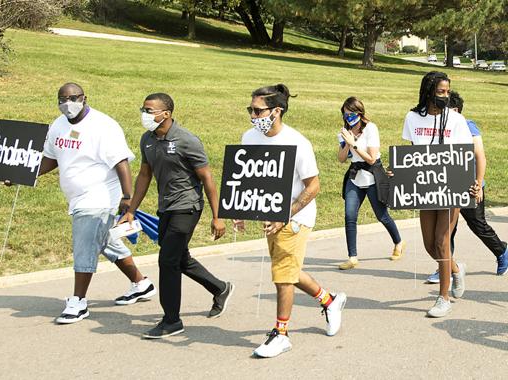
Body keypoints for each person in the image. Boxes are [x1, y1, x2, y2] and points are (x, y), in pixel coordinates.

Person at [240, 84, 346, 358]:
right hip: (268, 215)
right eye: (250, 109)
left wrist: (287, 213)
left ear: (277, 111)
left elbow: (314, 186)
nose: (253, 115)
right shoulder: (249, 138)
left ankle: (281, 333)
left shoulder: (298, 143)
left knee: (282, 274)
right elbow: (247, 177)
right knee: (286, 269)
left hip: (296, 216)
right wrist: (240, 208)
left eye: (258, 110)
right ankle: (329, 300)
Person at [36, 83, 154, 325]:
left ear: (84, 98)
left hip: (100, 198)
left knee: (85, 245)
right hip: (78, 198)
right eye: (62, 99)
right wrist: (24, 172)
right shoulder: (58, 125)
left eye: (73, 98)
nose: (68, 103)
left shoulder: (103, 125)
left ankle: (78, 302)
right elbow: (50, 159)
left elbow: (121, 163)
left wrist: (127, 197)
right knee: (105, 242)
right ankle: (141, 284)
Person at [121, 93, 234, 339]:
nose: (144, 114)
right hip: (166, 208)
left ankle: (171, 321)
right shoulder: (147, 139)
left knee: (167, 260)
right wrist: (131, 210)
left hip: (188, 206)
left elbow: (207, 179)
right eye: (143, 109)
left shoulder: (186, 140)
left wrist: (218, 216)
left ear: (166, 114)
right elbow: (144, 175)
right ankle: (220, 287)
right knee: (180, 258)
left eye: (149, 110)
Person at [401, 72, 477, 317]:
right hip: (425, 186)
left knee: (443, 242)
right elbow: (413, 153)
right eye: (441, 91)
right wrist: (401, 172)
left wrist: (474, 183)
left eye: (448, 91)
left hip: (451, 185)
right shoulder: (413, 118)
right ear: (429, 91)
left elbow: (465, 155)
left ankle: (443, 298)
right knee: (429, 245)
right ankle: (456, 269)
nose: (446, 96)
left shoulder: (456, 120)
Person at [430, 91, 508, 281]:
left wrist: (478, 182)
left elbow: (479, 156)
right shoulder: (439, 128)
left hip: (469, 185)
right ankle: (445, 266)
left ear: (455, 110)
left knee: (478, 225)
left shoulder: (468, 126)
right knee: (446, 230)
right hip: (447, 185)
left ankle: (502, 251)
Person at [335, 97, 404, 270]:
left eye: (351, 114)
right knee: (350, 216)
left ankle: (398, 242)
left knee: (382, 215)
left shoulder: (371, 129)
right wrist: (346, 144)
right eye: (345, 115)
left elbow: (372, 159)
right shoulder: (344, 132)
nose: (348, 118)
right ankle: (352, 257)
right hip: (355, 176)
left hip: (373, 176)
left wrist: (354, 144)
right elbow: (342, 159)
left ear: (360, 113)